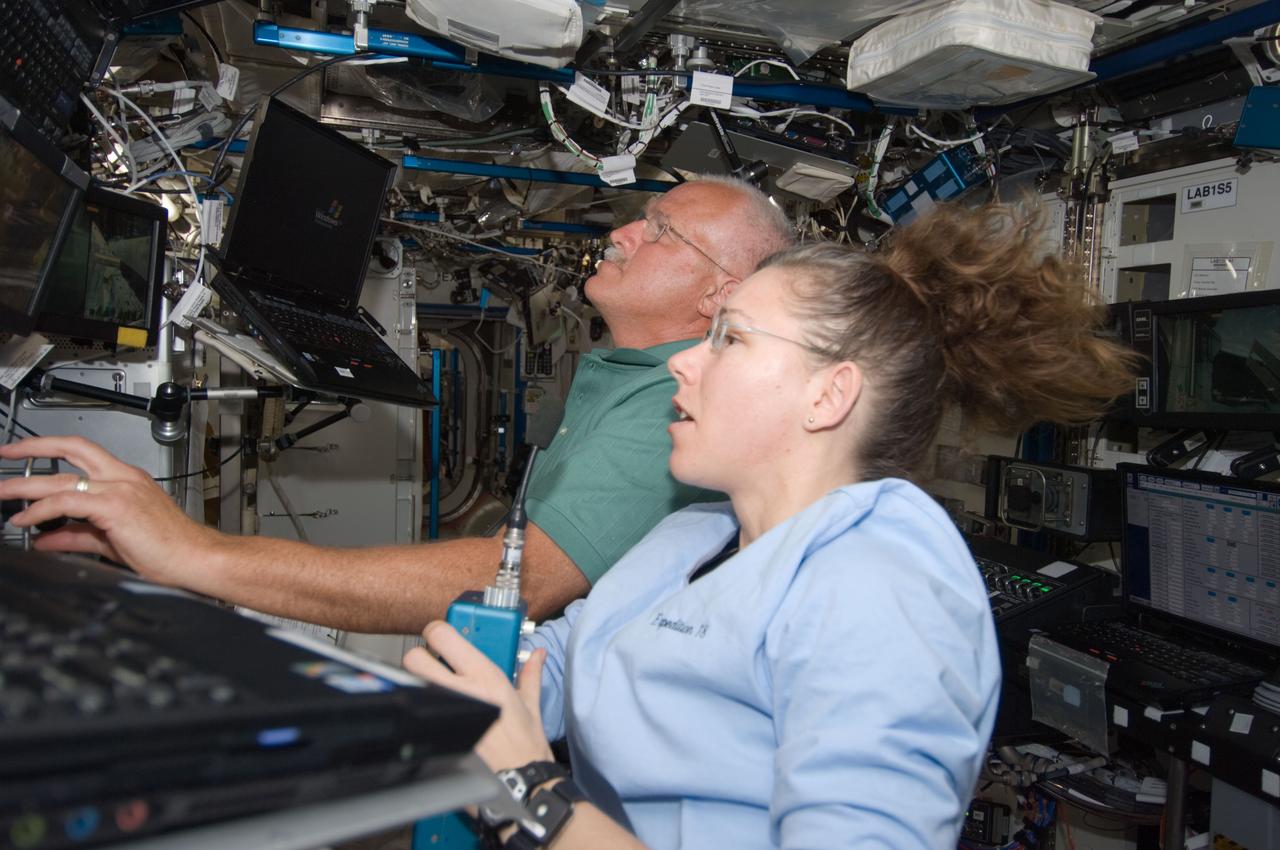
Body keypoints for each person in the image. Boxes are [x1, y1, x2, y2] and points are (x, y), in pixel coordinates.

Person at [402, 202, 1138, 849]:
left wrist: (532, 794)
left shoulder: (884, 592)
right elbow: (577, 651)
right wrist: (484, 685)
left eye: (731, 339)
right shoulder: (696, 532)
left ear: (828, 395)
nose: (686, 363)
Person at [0, 176, 794, 633]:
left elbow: (520, 584)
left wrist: (191, 553)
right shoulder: (631, 373)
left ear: (719, 294)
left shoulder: (674, 399)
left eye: (660, 231)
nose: (622, 231)